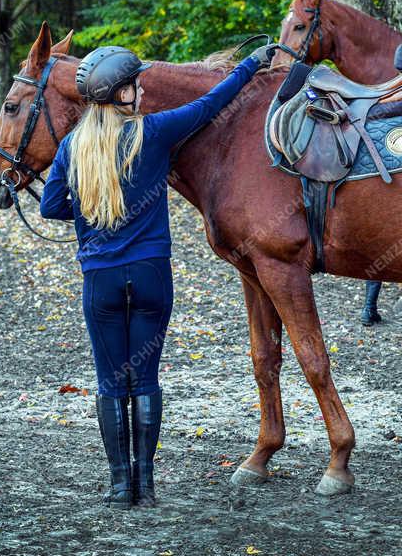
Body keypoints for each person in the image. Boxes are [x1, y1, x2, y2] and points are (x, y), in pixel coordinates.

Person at [40, 42, 277, 508]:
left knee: (112, 383)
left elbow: (51, 207)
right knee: (145, 380)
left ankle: (117, 486)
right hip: (150, 276)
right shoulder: (155, 132)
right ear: (122, 95)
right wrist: (250, 65)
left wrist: (90, 210)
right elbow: (212, 103)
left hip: (101, 281)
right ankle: (145, 487)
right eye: (134, 85)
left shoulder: (72, 147)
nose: (141, 89)